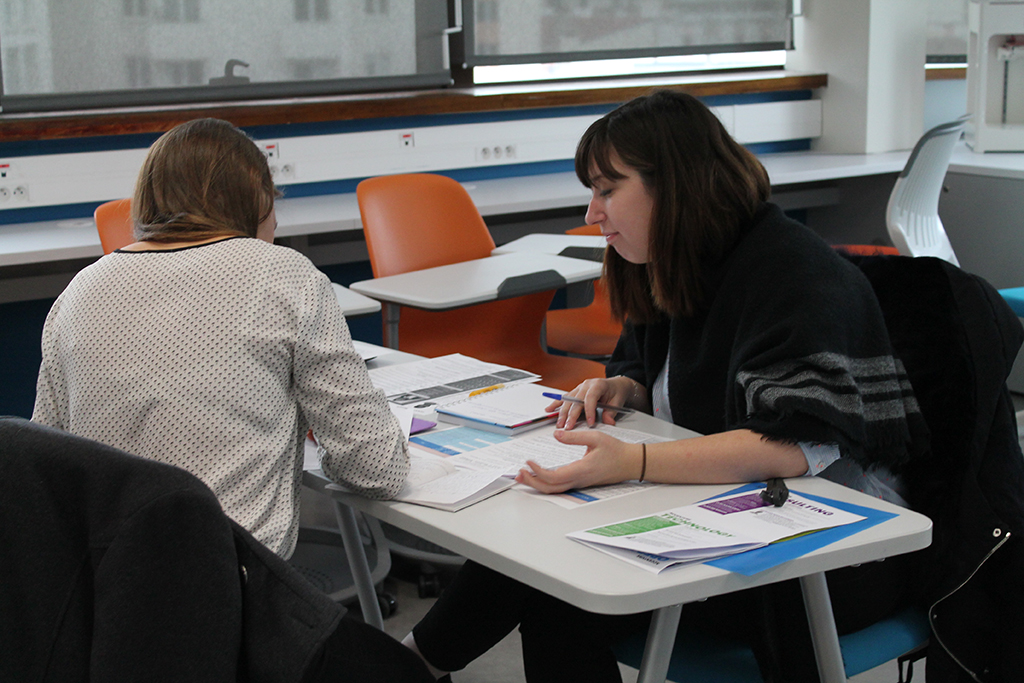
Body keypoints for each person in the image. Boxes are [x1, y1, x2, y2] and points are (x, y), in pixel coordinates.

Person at [402, 91, 928, 683]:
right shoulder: (674, 255)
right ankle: (409, 664)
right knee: (551, 584)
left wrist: (633, 461)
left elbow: (794, 445)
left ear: (674, 185)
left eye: (607, 189)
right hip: (726, 515)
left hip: (824, 557)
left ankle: (405, 664)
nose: (593, 212)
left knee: (557, 587)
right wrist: (626, 386)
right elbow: (669, 375)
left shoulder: (792, 272)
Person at [32, 119, 431, 683]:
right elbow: (377, 469)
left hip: (107, 611)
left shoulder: (79, 292)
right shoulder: (283, 275)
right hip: (233, 603)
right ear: (257, 202)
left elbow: (51, 469)